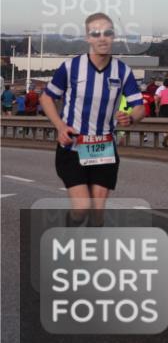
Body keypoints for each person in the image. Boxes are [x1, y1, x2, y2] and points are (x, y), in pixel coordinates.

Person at [39, 13, 144, 226]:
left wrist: (131, 118)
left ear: (114, 36)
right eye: (95, 34)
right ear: (88, 38)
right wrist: (60, 126)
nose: (102, 38)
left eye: (107, 33)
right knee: (81, 208)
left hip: (104, 147)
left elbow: (140, 107)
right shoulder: (71, 67)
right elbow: (47, 97)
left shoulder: (123, 71)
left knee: (97, 213)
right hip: (73, 145)